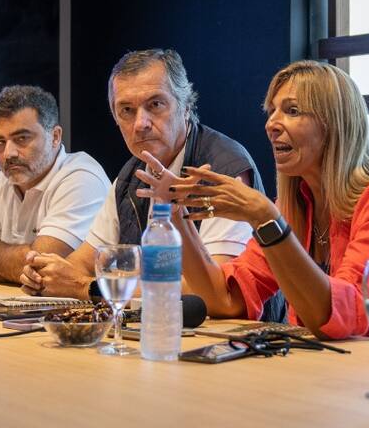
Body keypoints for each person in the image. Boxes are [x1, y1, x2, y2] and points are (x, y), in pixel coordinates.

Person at [143, 60, 369, 340]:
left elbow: (343, 318)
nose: (271, 124)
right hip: (325, 373)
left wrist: (266, 220)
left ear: (334, 125)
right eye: (271, 111)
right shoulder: (294, 206)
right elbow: (223, 300)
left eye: (292, 111)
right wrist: (175, 213)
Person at [20, 49, 262, 299]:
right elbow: (82, 263)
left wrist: (89, 288)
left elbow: (215, 291)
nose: (140, 124)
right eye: (126, 110)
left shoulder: (224, 168)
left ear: (186, 106)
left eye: (155, 104)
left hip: (229, 335)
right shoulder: (130, 176)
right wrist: (45, 275)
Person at [0, 85, 109, 285]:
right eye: (0, 142)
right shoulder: (1, 182)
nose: (9, 153)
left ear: (55, 137)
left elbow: (40, 268)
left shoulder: (81, 178)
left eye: (21, 138)